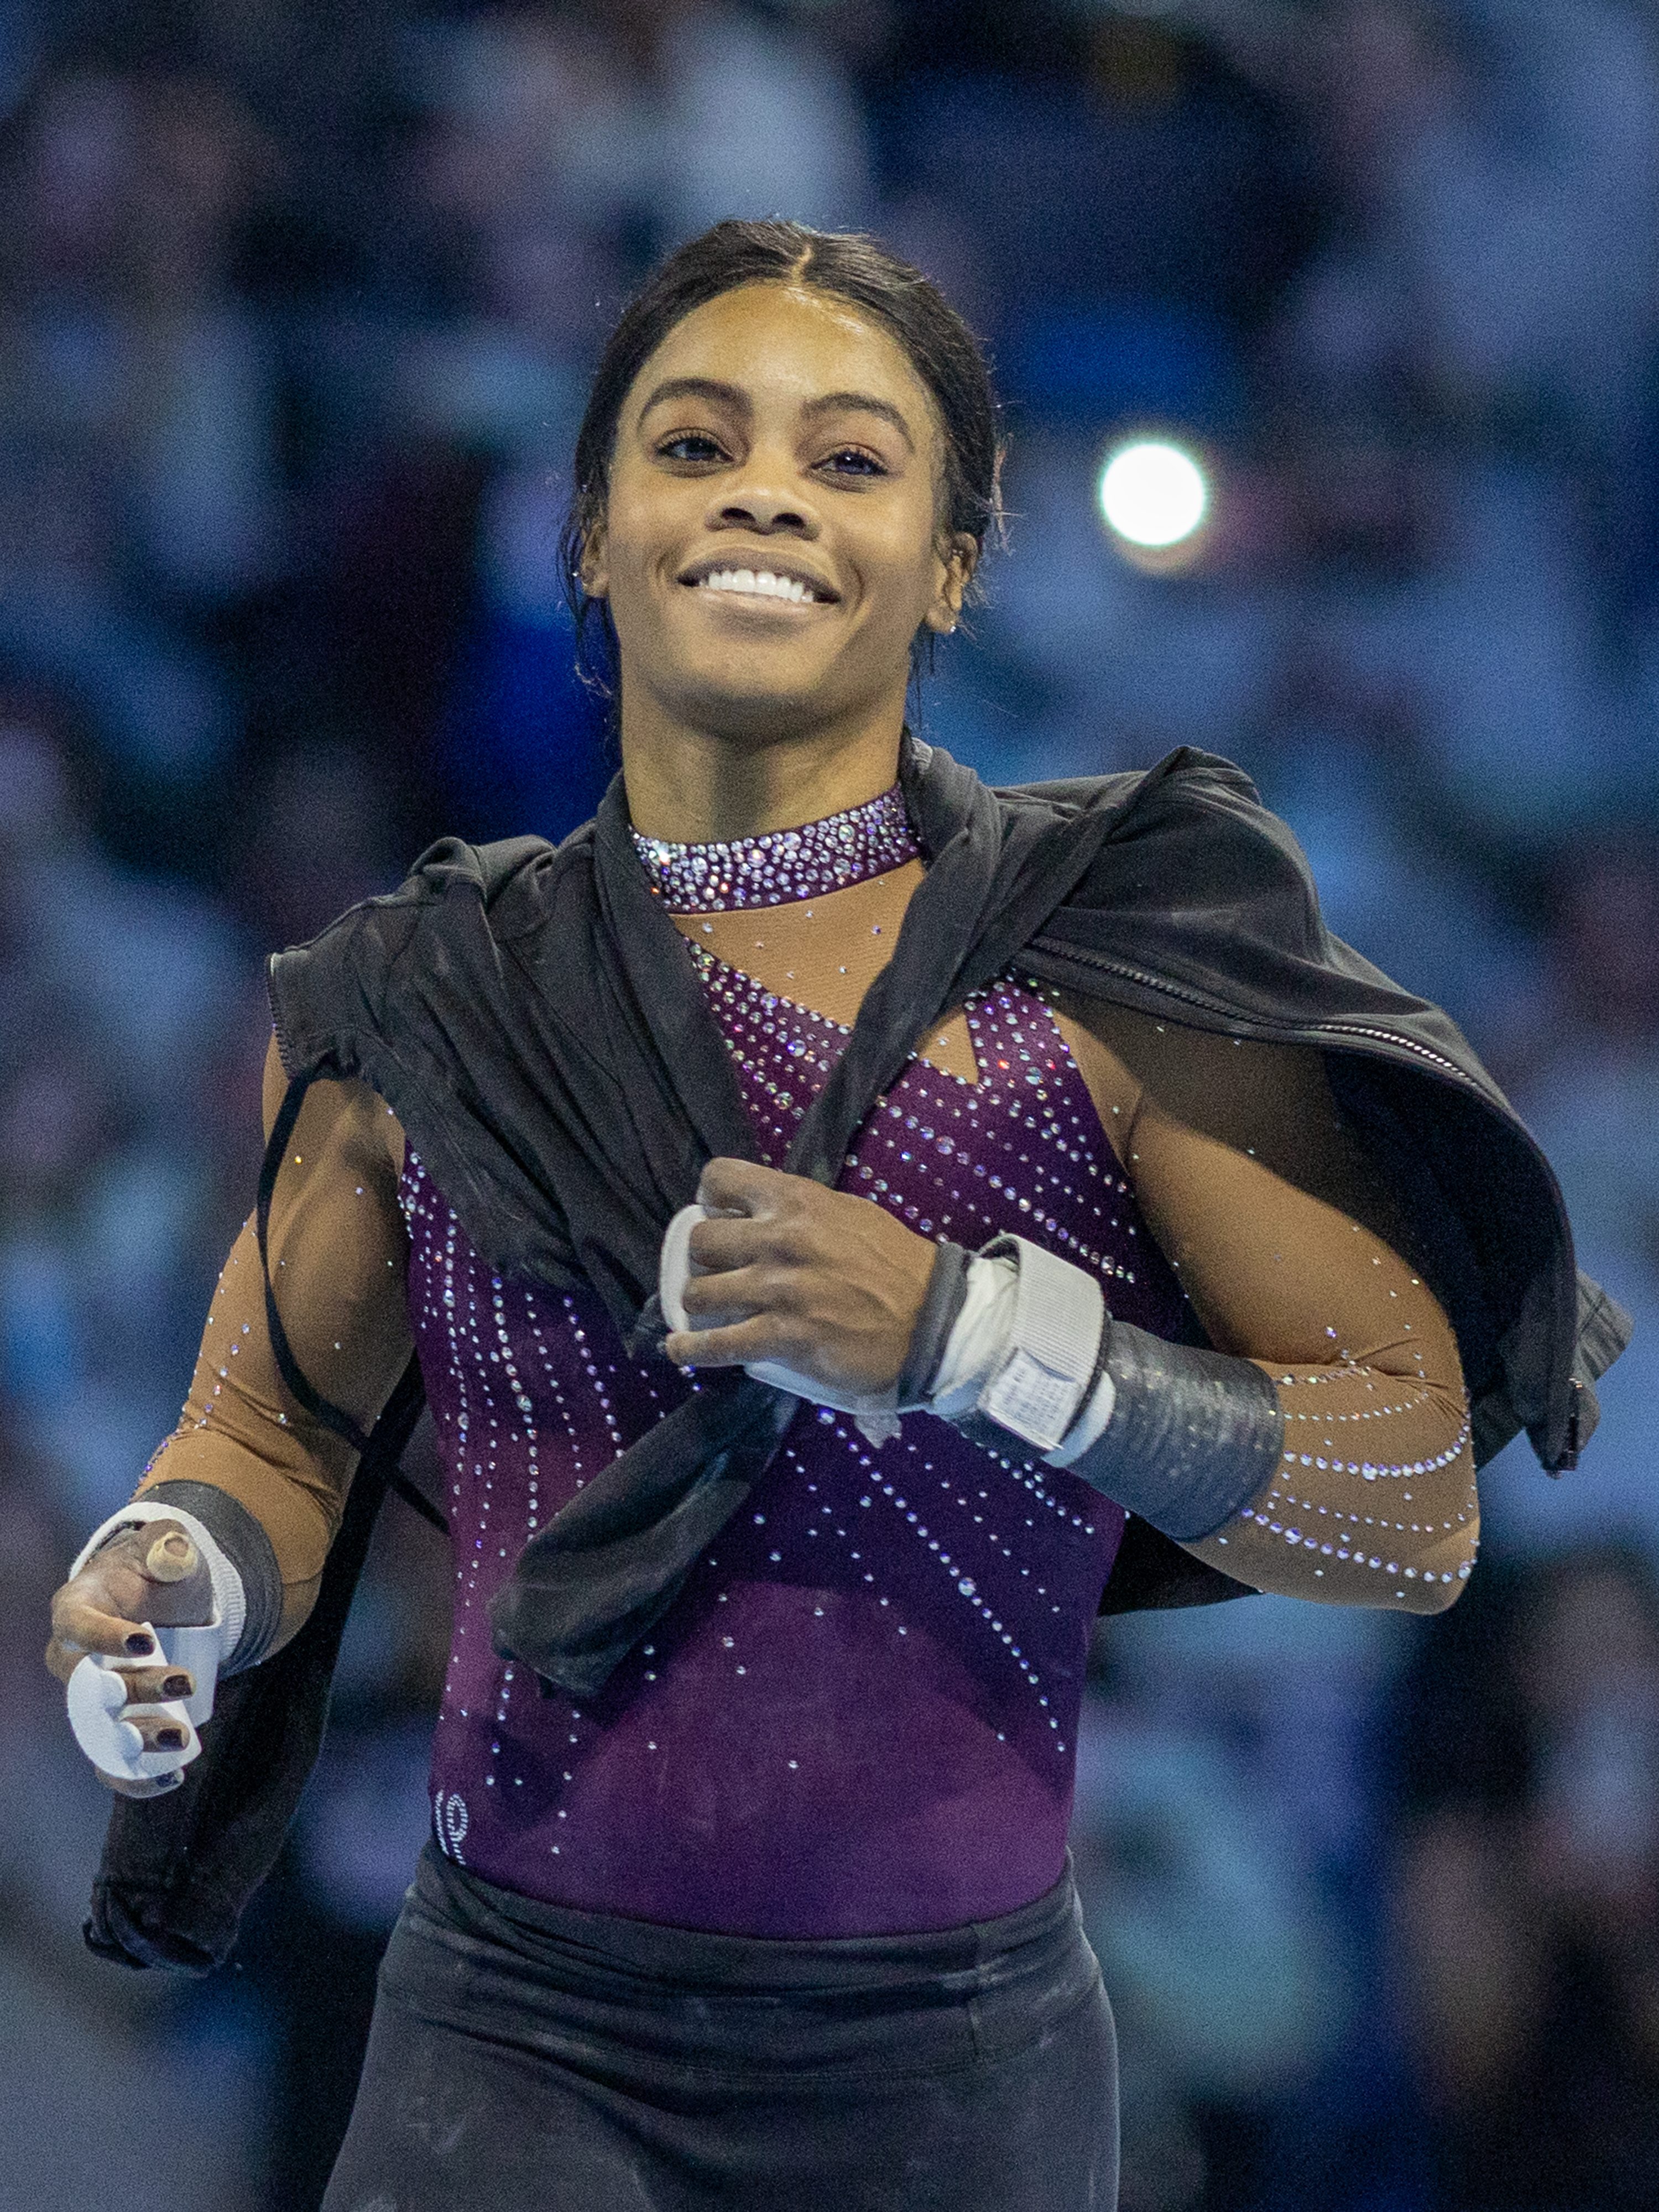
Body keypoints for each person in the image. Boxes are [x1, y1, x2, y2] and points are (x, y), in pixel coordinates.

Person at [44, 221, 1625, 2212]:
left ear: (957, 558)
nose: (765, 488)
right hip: (508, 2035)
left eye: (853, 456)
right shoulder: (415, 996)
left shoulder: (1100, 974)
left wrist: (990, 1344)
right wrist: (178, 1567)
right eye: (692, 444)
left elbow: (1411, 1506)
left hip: (948, 2067)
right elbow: (275, 1430)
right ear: (591, 537)